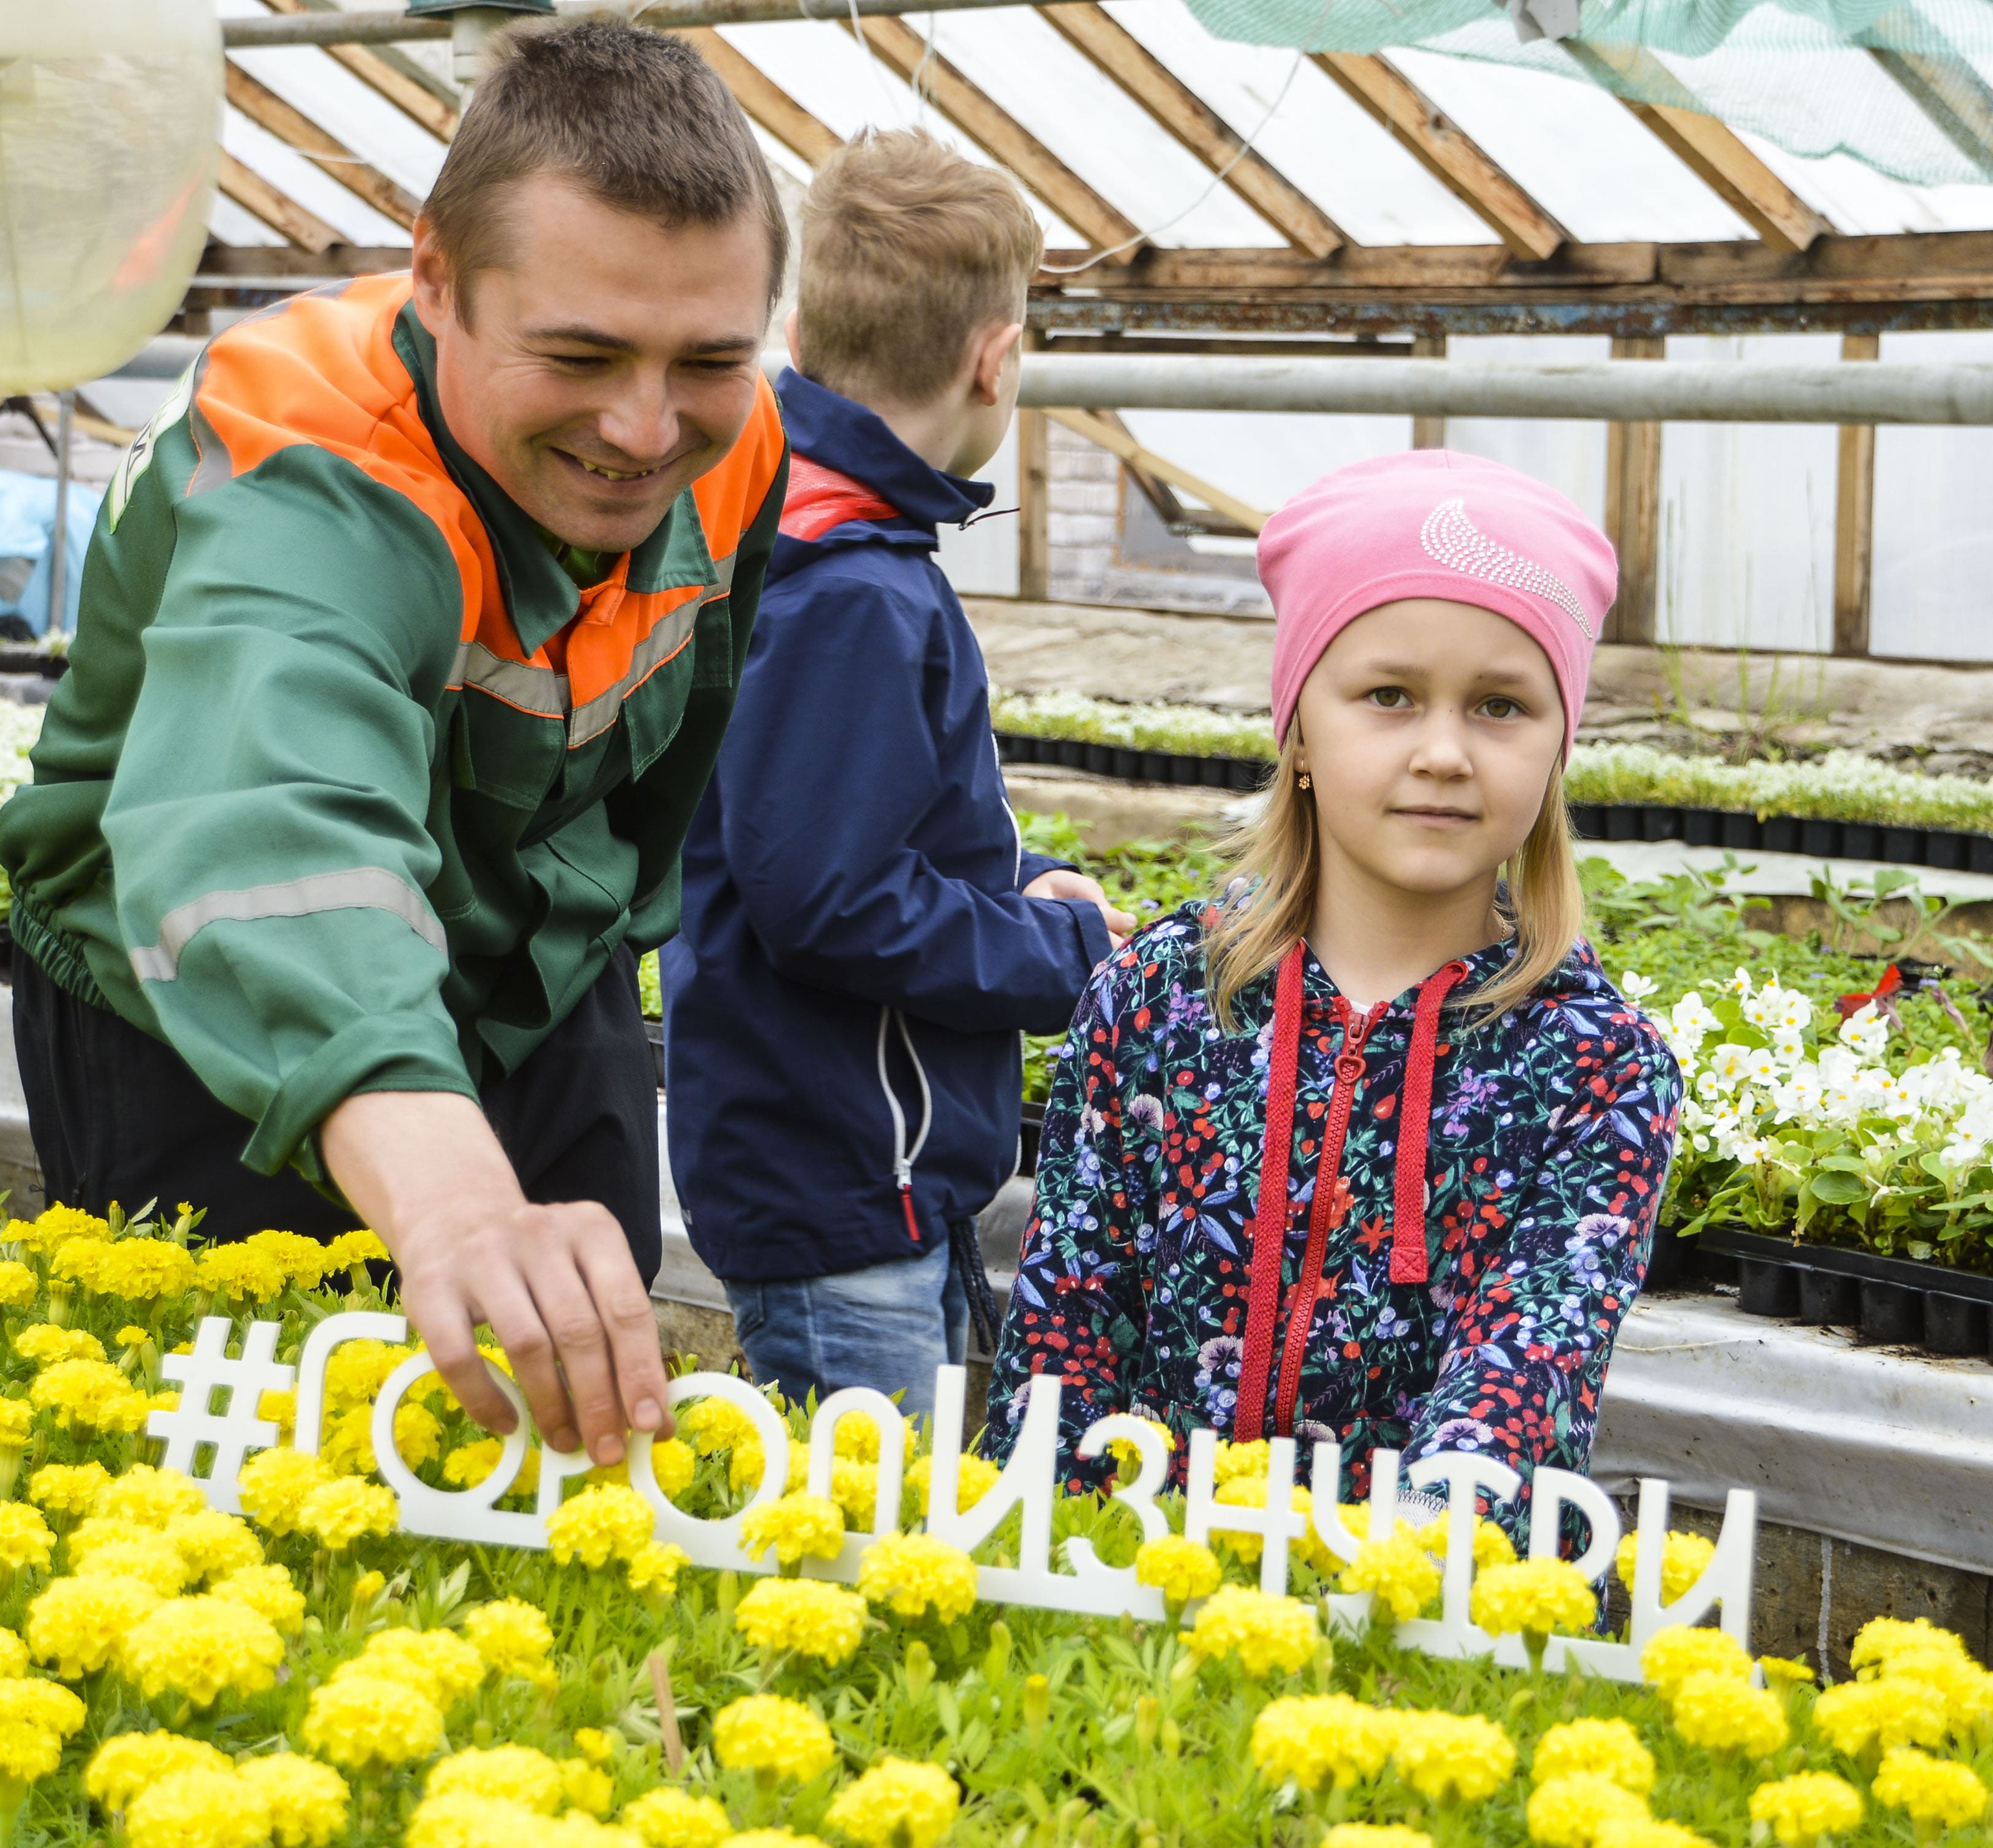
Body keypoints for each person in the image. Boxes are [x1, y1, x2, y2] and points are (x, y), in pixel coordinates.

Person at [0, 20, 792, 1471]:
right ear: (435, 279)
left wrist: (590, 968)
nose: (643, 424)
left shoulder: (736, 440)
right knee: (263, 1469)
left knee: (581, 1444)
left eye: (707, 359)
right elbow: (267, 827)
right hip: (201, 1004)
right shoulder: (312, 466)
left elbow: (670, 757)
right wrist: (452, 1202)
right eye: (580, 353)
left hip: (538, 972)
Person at [983, 450, 1682, 1509]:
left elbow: (1516, 1388)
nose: (1446, 751)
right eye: (1390, 695)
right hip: (1147, 1620)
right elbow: (1061, 1348)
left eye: (1502, 706)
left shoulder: (1600, 1071)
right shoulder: (1159, 1000)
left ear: (1558, 747)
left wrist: (1360, 1602)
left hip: (1434, 1635)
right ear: (1301, 725)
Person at [665, 131, 1132, 1415]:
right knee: (855, 1562)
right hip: (842, 1184)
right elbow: (830, 901)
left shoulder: (813, 537)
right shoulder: (856, 595)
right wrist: (1063, 963)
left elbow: (836, 835)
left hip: (849, 1166)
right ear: (997, 359)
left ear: (803, 330)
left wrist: (1025, 883)